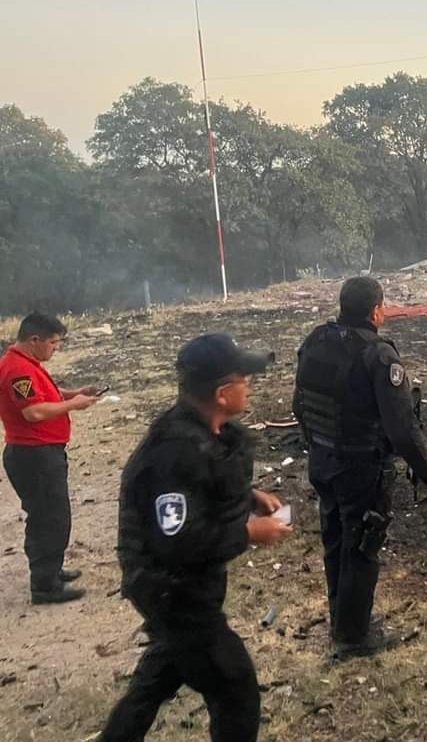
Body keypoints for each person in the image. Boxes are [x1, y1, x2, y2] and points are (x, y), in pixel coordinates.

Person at [100, 333, 292, 742]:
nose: (250, 386)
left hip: (182, 585)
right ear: (223, 393)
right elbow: (178, 542)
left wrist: (249, 497)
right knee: (234, 686)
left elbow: (206, 488)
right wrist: (248, 532)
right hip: (170, 588)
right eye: (245, 379)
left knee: (163, 669)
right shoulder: (175, 452)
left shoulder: (206, 432)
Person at [293, 277, 427, 661]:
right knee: (363, 544)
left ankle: (342, 618)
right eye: (383, 306)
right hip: (360, 466)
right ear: (375, 311)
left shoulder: (316, 340)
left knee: (335, 539)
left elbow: (299, 403)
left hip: (323, 460)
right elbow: (401, 427)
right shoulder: (378, 357)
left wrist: (317, 446)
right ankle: (352, 637)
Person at [0, 313, 98, 604]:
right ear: (34, 340)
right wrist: (73, 405)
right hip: (34, 454)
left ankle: (50, 571)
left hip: (42, 451)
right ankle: (44, 585)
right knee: (49, 518)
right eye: (53, 343)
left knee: (53, 514)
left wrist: (73, 393)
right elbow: (33, 412)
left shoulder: (28, 365)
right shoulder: (18, 369)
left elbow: (43, 395)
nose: (56, 349)